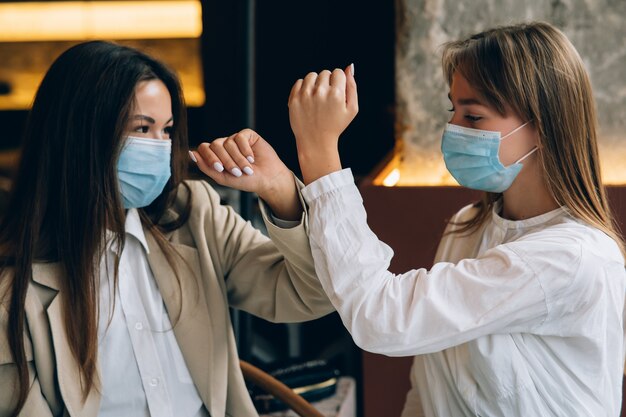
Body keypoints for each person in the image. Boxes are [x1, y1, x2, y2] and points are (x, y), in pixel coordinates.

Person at [286, 22, 626, 416]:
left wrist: (320, 153)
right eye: (454, 110)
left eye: (474, 117)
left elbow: (383, 316)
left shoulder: (573, 258)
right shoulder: (469, 225)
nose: (453, 129)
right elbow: (432, 385)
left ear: (542, 126)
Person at [0, 41, 334, 417]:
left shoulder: (194, 213)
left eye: (168, 130)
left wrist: (278, 189)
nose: (161, 147)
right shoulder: (14, 291)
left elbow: (316, 291)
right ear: (80, 135)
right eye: (143, 128)